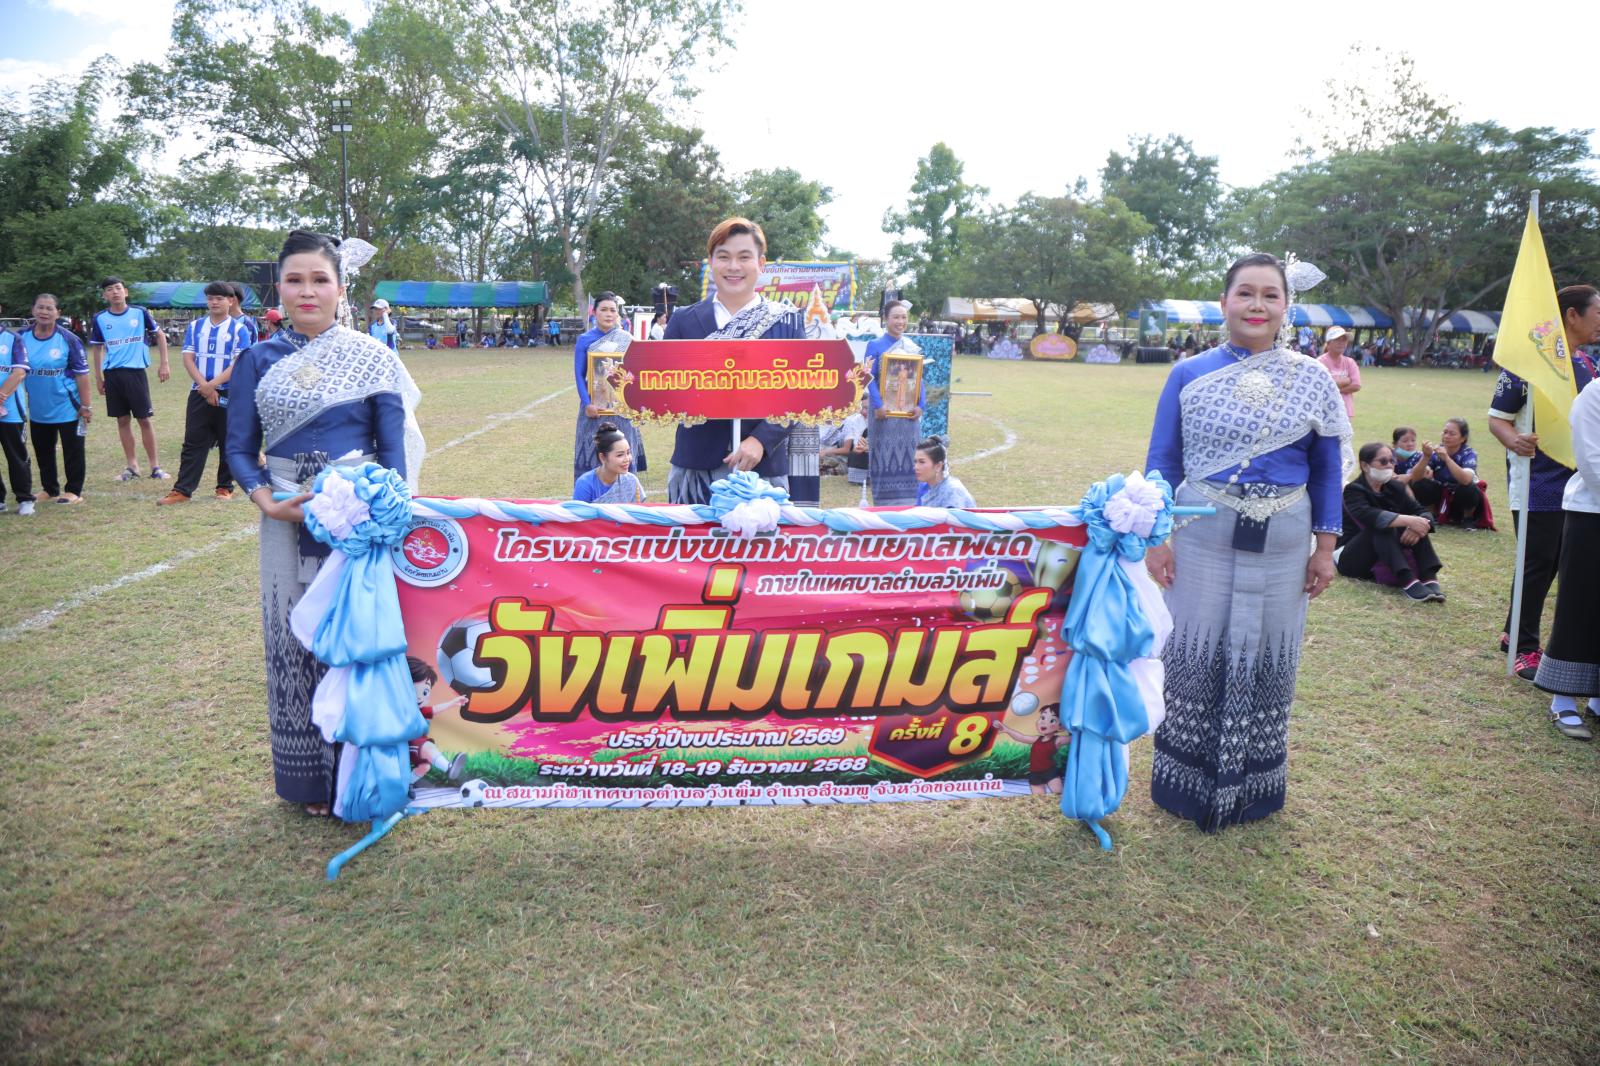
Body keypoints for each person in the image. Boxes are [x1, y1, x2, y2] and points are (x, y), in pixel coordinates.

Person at [1143, 252, 1351, 832]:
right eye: (1245, 293)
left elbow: (1327, 470)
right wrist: (1158, 536)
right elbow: (1163, 459)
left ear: (1287, 305)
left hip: (1286, 535)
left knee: (1270, 649)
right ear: (1224, 302)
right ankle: (1185, 783)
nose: (1257, 305)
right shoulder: (1188, 373)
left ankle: (1256, 785)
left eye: (1270, 295)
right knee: (1194, 645)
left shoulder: (1312, 377)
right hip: (1201, 531)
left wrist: (1325, 548)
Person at [224, 229, 423, 817]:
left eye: (319, 280)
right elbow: (239, 447)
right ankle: (309, 782)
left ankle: (367, 776)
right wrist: (267, 500)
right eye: (294, 280)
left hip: (360, 522)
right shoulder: (256, 359)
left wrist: (381, 513)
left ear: (340, 288)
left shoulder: (373, 355)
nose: (307, 291)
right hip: (286, 520)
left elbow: (394, 453)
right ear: (278, 287)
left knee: (359, 640)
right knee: (296, 640)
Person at [1487, 284, 1600, 676]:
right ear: (1572, 315)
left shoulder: (1588, 366)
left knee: (1553, 563)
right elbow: (1497, 419)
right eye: (1598, 313)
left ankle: (1512, 631)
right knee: (1536, 563)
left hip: (1578, 482)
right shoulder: (1526, 364)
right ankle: (1524, 647)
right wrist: (1513, 440)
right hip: (1536, 481)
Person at [662, 217, 804, 504]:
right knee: (693, 536)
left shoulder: (787, 321)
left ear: (761, 264)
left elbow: (799, 392)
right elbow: (665, 387)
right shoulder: (683, 321)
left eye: (744, 257)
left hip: (762, 468)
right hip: (696, 468)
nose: (734, 266)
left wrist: (761, 440)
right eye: (724, 257)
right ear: (711, 263)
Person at [1533, 381, 1600, 739]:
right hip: (1592, 514)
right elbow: (1590, 460)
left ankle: (1597, 699)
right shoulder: (1595, 395)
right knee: (1580, 606)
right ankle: (1563, 699)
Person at [161, 281, 251, 505]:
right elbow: (188, 358)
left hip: (229, 393)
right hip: (199, 392)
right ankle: (182, 490)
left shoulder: (240, 329)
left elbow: (239, 363)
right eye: (210, 298)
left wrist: (214, 385)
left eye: (219, 298)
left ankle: (224, 486)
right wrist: (204, 385)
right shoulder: (195, 327)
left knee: (228, 441)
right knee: (193, 441)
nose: (214, 302)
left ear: (230, 301)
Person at [1336, 442, 1444, 603]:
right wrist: (1411, 520)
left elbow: (1421, 510)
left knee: (1419, 525)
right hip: (1352, 558)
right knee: (1381, 526)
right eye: (1383, 461)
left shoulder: (1395, 487)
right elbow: (1370, 516)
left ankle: (1429, 577)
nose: (1389, 465)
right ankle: (1407, 580)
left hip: (1383, 553)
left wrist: (1419, 524)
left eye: (1392, 461)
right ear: (1365, 466)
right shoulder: (1354, 490)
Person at [89, 276, 171, 481]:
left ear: (125, 292)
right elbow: (97, 348)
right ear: (104, 295)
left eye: (118, 288)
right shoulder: (100, 318)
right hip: (113, 374)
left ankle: (155, 467)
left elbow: (160, 335)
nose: (115, 292)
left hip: (135, 373)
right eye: (110, 289)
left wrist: (164, 363)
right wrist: (98, 378)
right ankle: (132, 466)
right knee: (122, 419)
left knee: (144, 419)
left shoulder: (139, 312)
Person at [18, 294, 92, 504]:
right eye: (40, 307)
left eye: (49, 308)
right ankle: (49, 489)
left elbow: (82, 375)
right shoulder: (21, 337)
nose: (44, 312)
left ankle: (74, 490)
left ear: (58, 313)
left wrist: (86, 405)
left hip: (68, 406)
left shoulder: (69, 339)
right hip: (38, 407)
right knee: (43, 450)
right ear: (33, 310)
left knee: (73, 450)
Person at [571, 291, 647, 484]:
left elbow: (635, 373)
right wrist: (587, 404)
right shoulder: (585, 339)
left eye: (612, 310)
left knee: (623, 451)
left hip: (622, 408)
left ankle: (627, 491)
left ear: (617, 314)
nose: (608, 314)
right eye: (604, 310)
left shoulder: (627, 339)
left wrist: (637, 405)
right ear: (594, 312)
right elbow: (579, 374)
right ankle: (590, 494)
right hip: (594, 409)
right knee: (592, 449)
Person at [864, 299, 924, 505]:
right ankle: (884, 504)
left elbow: (919, 379)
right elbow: (868, 377)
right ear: (886, 319)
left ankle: (910, 503)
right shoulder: (874, 345)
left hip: (908, 415)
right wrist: (878, 405)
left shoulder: (911, 347)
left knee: (910, 456)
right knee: (884, 457)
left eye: (904, 317)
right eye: (896, 317)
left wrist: (921, 405)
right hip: (883, 414)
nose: (900, 322)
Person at [1406, 418, 1485, 526]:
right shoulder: (1436, 452)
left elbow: (1466, 480)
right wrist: (1426, 457)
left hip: (1460, 497)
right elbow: (1415, 477)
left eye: (1452, 434)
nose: (1446, 436)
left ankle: (1467, 517)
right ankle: (1433, 513)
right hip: (1441, 495)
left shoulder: (1468, 454)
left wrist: (1447, 459)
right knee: (1420, 484)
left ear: (1463, 438)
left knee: (1468, 488)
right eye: (1445, 432)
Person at [0, 319, 34, 515]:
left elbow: (19, 372)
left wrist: (1, 396)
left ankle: (25, 499)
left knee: (16, 456)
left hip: (10, 411)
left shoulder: (13, 339)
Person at [573, 421, 645, 503]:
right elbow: (579, 510)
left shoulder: (631, 481)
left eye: (628, 453)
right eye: (620, 455)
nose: (627, 459)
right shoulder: (585, 484)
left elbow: (637, 509)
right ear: (603, 457)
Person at [913, 436, 975, 508]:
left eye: (922, 462)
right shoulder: (924, 487)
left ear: (938, 466)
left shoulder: (953, 492)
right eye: (915, 462)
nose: (916, 467)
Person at [1317, 326, 1362, 418]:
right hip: (1324, 412)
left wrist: (1334, 388)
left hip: (1345, 411)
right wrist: (1346, 381)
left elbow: (1356, 386)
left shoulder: (1350, 362)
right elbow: (1320, 386)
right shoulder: (1319, 362)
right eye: (1337, 340)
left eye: (1344, 340)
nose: (1341, 343)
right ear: (1328, 343)